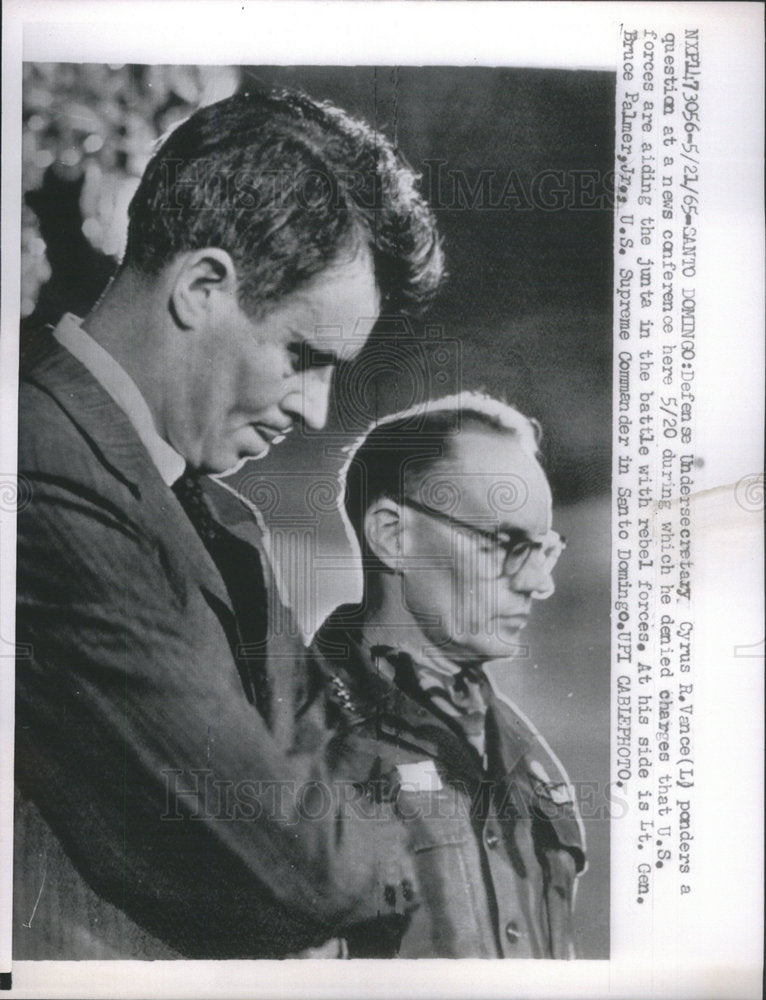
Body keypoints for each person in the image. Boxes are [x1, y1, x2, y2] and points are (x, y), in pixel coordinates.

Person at [15, 88, 443, 959]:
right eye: (304, 356)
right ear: (202, 286)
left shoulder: (214, 513)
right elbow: (289, 870)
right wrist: (398, 812)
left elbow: (339, 776)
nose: (318, 410)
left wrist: (328, 801)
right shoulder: (37, 471)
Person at [310, 392, 586, 958]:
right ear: (393, 535)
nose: (539, 583)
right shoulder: (298, 737)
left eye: (544, 550)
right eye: (507, 544)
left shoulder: (523, 750)